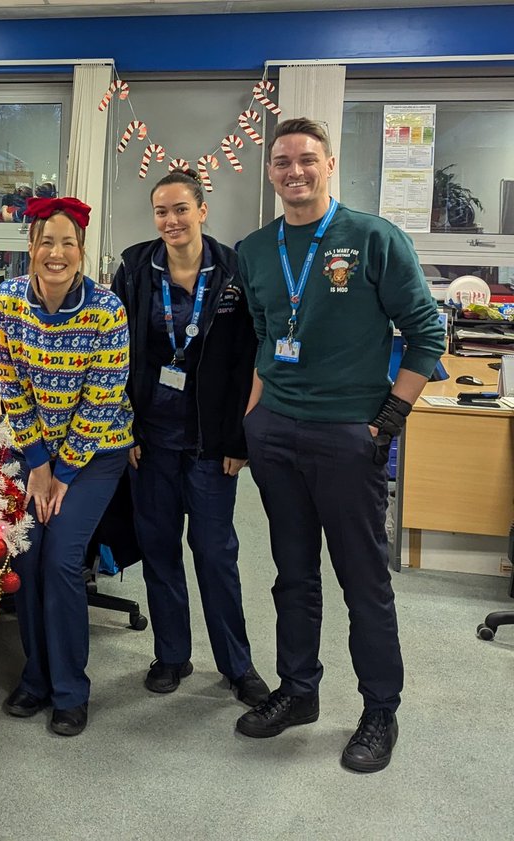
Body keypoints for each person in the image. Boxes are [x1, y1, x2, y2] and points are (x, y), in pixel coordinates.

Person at [234, 118, 445, 772]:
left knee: (364, 581)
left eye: (305, 160)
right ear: (270, 171)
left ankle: (380, 708)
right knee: (292, 575)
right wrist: (252, 422)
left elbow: (426, 335)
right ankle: (298, 690)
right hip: (278, 436)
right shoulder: (255, 248)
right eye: (280, 162)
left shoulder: (374, 238)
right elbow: (266, 340)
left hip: (348, 435)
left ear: (330, 164)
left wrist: (383, 422)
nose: (293, 171)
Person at [113, 170, 270, 707]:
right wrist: (124, 429)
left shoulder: (233, 270)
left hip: (209, 442)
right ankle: (172, 655)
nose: (170, 221)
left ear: (202, 210)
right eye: (161, 211)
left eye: (180, 209)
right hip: (149, 440)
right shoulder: (136, 267)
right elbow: (114, 353)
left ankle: (236, 665)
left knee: (215, 553)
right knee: (159, 551)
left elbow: (250, 356)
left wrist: (239, 439)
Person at [0, 195, 134, 737]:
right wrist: (36, 464)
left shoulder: (106, 308)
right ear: (31, 247)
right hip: (33, 453)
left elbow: (102, 399)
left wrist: (63, 473)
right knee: (26, 558)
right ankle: (37, 677)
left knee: (61, 561)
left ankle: (71, 690)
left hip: (95, 453)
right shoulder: (7, 300)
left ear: (80, 252)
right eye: (46, 241)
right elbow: (11, 384)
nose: (56, 252)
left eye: (66, 243)